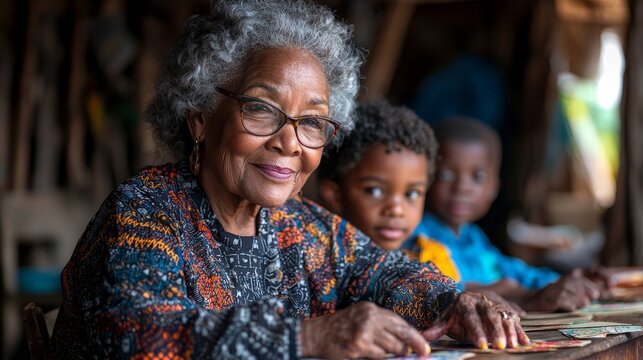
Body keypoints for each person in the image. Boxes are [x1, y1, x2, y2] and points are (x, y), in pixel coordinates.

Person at [50, 2, 528, 358]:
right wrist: (310, 337)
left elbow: (384, 272)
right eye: (261, 109)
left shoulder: (300, 226)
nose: (290, 142)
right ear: (199, 118)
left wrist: (455, 302)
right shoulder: (145, 212)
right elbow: (141, 335)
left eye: (312, 122)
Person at [318, 100, 519, 315]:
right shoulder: (320, 260)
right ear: (335, 195)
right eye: (375, 191)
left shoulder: (432, 257)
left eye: (411, 194)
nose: (396, 209)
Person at [408, 117, 609, 312]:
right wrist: (521, 294)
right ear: (424, 180)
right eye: (446, 175)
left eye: (478, 177)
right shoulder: (415, 237)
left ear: (494, 187)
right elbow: (438, 293)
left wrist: (566, 281)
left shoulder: (473, 237)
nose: (462, 188)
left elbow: (514, 271)